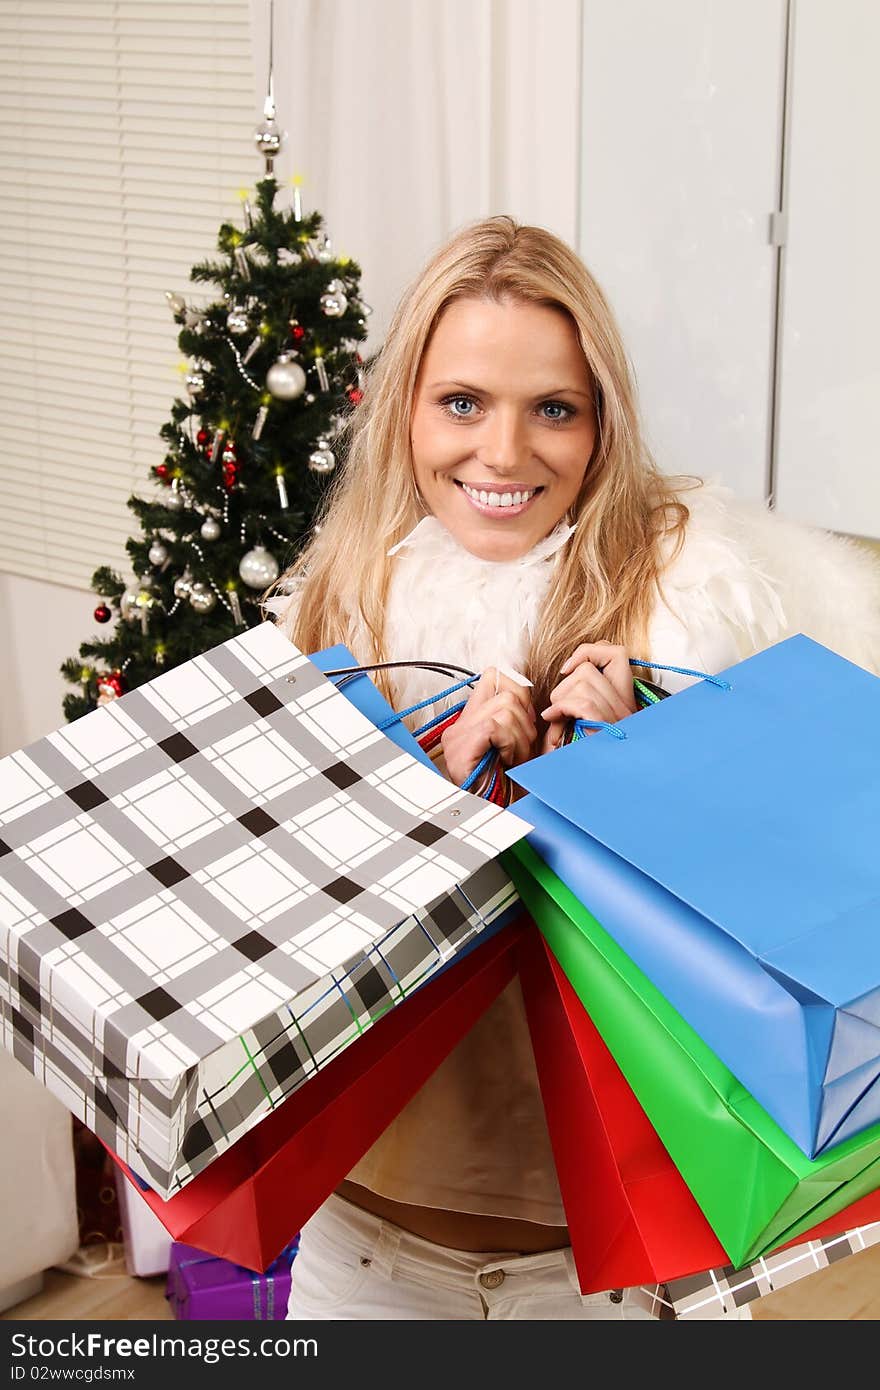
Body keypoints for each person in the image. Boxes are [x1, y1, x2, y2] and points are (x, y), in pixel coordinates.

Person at [266, 215, 880, 1320]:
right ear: (405, 404)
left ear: (602, 420)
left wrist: (634, 769)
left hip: (608, 1268)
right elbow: (276, 927)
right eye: (461, 402)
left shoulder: (690, 598)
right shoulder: (345, 597)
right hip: (363, 1247)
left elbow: (792, 920)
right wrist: (428, 787)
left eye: (552, 408)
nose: (501, 455)